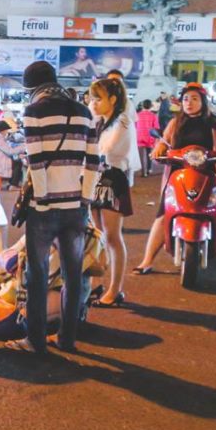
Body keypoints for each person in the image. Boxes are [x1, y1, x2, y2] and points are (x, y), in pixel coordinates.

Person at [6, 61, 100, 354]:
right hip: (75, 207)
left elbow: (35, 161)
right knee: (73, 275)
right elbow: (95, 163)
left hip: (44, 209)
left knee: (38, 275)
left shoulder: (34, 112)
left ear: (32, 89)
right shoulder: (85, 112)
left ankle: (34, 341)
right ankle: (67, 339)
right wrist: (84, 198)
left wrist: (44, 198)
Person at [133, 83, 216, 284]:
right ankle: (147, 261)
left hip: (209, 176)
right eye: (186, 99)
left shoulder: (215, 123)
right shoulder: (175, 123)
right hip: (178, 175)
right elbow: (164, 142)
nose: (189, 103)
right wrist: (159, 148)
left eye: (194, 98)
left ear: (203, 101)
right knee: (164, 213)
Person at [87, 76, 137, 308]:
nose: (93, 102)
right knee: (98, 236)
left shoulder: (123, 121)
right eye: (92, 98)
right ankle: (98, 284)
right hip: (96, 179)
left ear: (114, 99)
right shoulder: (100, 122)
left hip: (112, 179)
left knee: (113, 237)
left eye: (98, 98)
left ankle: (115, 290)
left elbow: (107, 148)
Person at [0, 118, 23, 190]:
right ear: (2, 130)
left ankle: (12, 183)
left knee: (16, 161)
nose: (7, 132)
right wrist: (23, 146)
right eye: (6, 130)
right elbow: (10, 151)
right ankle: (13, 185)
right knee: (17, 163)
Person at [136, 99, 160, 177]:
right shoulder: (153, 116)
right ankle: (149, 169)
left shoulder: (138, 115)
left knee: (141, 156)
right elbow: (156, 127)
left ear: (142, 106)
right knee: (149, 154)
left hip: (139, 136)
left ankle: (143, 172)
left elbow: (135, 126)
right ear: (151, 106)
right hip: (149, 137)